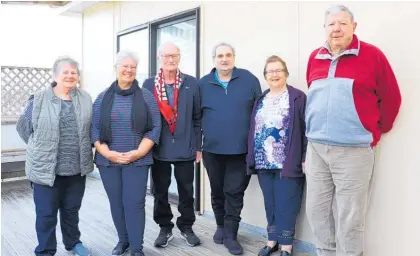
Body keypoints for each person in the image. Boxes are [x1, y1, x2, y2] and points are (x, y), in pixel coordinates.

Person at [305, 5, 402, 256]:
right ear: (324, 28)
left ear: (353, 27)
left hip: (354, 150)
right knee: (316, 211)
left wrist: (373, 132)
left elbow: (391, 98)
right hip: (316, 148)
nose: (336, 28)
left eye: (342, 23)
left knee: (350, 218)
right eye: (331, 24)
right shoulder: (315, 56)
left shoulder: (372, 55)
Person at [16, 56, 93, 256]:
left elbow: (90, 129)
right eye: (65, 72)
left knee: (71, 211)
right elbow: (23, 127)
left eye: (73, 72)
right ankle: (45, 250)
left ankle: (73, 243)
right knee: (46, 214)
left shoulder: (85, 98)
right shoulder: (39, 98)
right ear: (55, 75)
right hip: (45, 169)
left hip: (76, 168)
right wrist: (41, 147)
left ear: (78, 76)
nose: (69, 76)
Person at [91, 50, 161, 256]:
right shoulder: (102, 97)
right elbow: (94, 129)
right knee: (117, 203)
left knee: (135, 203)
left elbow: (155, 127)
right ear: (116, 69)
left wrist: (139, 152)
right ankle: (123, 241)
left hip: (137, 161)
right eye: (124, 66)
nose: (129, 70)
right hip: (108, 161)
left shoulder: (147, 97)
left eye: (133, 67)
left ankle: (137, 248)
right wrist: (108, 153)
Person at [199, 42, 262, 255]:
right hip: (212, 151)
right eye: (219, 56)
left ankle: (231, 235)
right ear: (214, 60)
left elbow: (259, 115)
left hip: (241, 150)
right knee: (217, 191)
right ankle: (220, 226)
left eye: (228, 55)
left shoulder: (249, 80)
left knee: (234, 192)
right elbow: (196, 118)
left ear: (234, 57)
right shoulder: (203, 84)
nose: (224, 59)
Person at [143, 42, 202, 248]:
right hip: (159, 148)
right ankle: (164, 227)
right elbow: (145, 118)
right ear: (159, 58)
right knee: (160, 191)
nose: (170, 60)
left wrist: (198, 146)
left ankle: (186, 226)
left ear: (179, 58)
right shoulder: (149, 85)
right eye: (166, 56)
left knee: (187, 191)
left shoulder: (191, 83)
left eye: (174, 56)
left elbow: (197, 118)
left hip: (185, 146)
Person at [247, 55, 307, 256]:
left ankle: (286, 246)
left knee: (287, 203)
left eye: (278, 70)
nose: (274, 74)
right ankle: (272, 240)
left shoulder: (298, 97)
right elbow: (254, 129)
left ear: (286, 73)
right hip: (264, 161)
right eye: (270, 71)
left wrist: (305, 156)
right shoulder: (261, 99)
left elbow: (306, 129)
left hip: (288, 162)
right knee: (270, 203)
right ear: (265, 76)